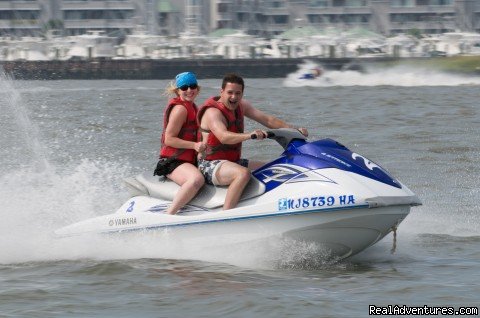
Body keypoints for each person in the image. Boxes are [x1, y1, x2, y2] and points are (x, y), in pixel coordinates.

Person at [197, 73, 308, 210]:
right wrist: (250, 135)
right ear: (222, 92)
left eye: (238, 93)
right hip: (209, 164)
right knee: (243, 174)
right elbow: (224, 137)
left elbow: (268, 120)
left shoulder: (242, 106)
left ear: (242, 93)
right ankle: (226, 214)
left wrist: (294, 129)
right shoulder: (213, 113)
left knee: (274, 169)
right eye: (230, 93)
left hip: (232, 162)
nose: (234, 97)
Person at [153, 71, 206, 215]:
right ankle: (169, 215)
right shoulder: (180, 109)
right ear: (177, 91)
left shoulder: (194, 108)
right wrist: (194, 146)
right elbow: (168, 139)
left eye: (192, 86)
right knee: (196, 180)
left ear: (197, 88)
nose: (189, 90)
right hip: (172, 161)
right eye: (184, 87)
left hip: (188, 161)